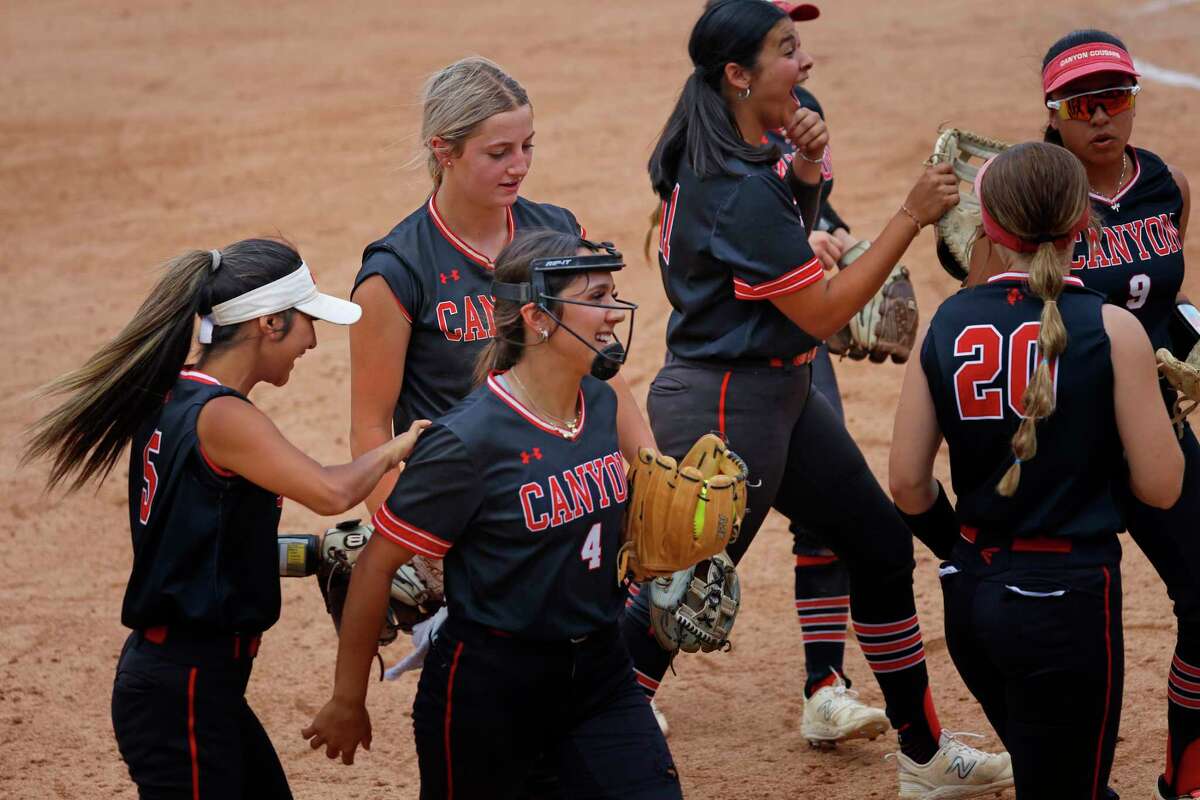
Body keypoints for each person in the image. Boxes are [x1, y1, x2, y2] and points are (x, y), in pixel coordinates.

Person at [626, 0, 1012, 794]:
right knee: (680, 596)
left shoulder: (732, 152)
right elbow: (826, 311)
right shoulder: (730, 184)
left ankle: (926, 757)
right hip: (729, 409)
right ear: (738, 74)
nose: (805, 63)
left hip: (776, 394)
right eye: (787, 49)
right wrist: (912, 214)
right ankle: (580, 737)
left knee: (874, 544)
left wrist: (805, 174)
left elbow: (776, 242)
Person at [21, 239, 428, 799]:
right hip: (182, 692)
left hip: (190, 685)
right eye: (307, 320)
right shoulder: (224, 417)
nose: (312, 339)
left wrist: (308, 555)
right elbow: (333, 491)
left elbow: (201, 535)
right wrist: (398, 447)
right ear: (270, 323)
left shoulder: (176, 395)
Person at [302, 230, 681, 800]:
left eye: (612, 295)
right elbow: (376, 566)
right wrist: (347, 699)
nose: (613, 313)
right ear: (539, 318)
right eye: (597, 298)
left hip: (602, 671)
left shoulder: (600, 402)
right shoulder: (467, 442)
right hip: (491, 692)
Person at [890, 141, 1184, 796]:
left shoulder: (947, 324)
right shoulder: (1113, 328)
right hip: (1070, 603)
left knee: (1048, 771)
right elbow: (1162, 486)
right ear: (1085, 225)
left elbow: (908, 483)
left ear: (986, 228)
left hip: (973, 599)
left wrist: (961, 551)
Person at [350, 56, 651, 515]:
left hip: (562, 482)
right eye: (498, 153)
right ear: (444, 150)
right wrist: (408, 544)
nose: (519, 166)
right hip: (463, 498)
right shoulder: (397, 270)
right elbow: (370, 429)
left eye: (527, 146)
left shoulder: (557, 231)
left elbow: (599, 365)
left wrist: (652, 470)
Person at [1037, 30, 1196, 799]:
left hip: (1156, 426)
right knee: (1067, 632)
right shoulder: (1035, 194)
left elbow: (1162, 297)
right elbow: (988, 307)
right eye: (1082, 103)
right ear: (1055, 114)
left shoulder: (1165, 183)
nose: (1102, 116)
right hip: (1068, 439)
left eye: (1117, 98)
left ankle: (1187, 776)